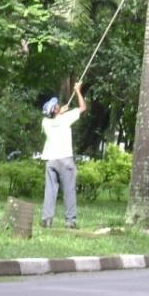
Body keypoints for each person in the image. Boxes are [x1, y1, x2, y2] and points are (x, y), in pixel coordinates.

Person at [40, 82, 86, 228]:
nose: (59, 105)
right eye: (57, 105)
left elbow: (55, 117)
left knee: (50, 190)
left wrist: (61, 112)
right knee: (69, 190)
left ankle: (47, 219)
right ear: (56, 110)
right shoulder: (66, 119)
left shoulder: (45, 122)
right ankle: (70, 221)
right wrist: (77, 91)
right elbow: (83, 107)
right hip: (65, 159)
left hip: (51, 161)